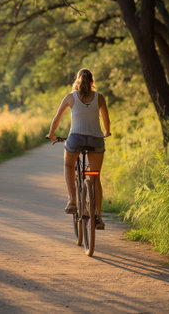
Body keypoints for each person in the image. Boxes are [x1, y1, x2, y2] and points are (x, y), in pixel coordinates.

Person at [47, 68, 111, 229]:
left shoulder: (70, 98)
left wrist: (52, 134)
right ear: (92, 82)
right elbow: (106, 121)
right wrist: (106, 132)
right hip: (96, 140)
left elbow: (56, 119)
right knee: (94, 177)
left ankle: (72, 200)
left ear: (77, 81)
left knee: (69, 165)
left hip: (75, 139)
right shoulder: (100, 98)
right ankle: (98, 216)